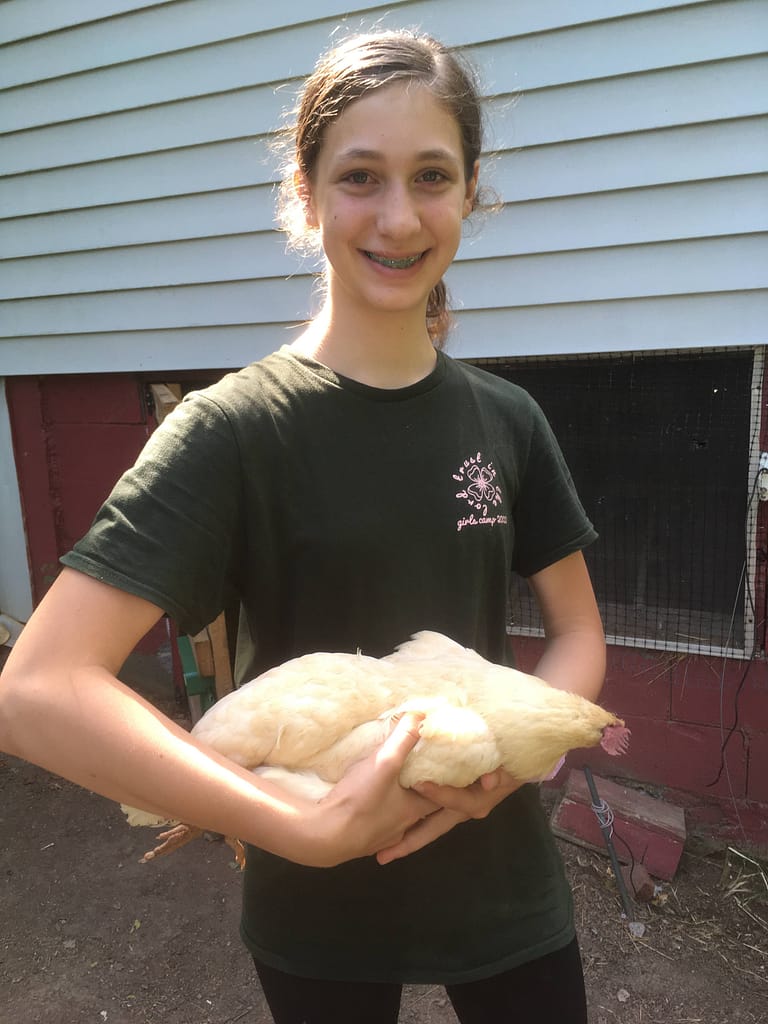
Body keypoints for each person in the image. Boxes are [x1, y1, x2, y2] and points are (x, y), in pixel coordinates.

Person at [0, 30, 605, 1024]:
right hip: (315, 908)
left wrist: (509, 763)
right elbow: (36, 693)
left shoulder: (509, 421)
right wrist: (300, 825)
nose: (400, 216)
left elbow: (579, 634)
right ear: (308, 190)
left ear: (470, 192)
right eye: (361, 176)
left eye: (432, 176)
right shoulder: (233, 430)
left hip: (504, 886)